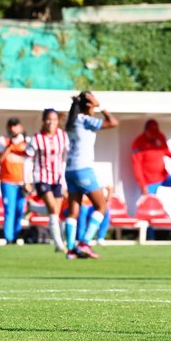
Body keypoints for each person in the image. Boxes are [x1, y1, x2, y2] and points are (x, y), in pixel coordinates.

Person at [63, 91, 118, 259]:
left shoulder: (71, 121)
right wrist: (100, 105)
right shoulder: (85, 120)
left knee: (73, 211)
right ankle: (85, 243)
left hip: (70, 170)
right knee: (101, 206)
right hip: (83, 169)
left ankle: (71, 250)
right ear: (89, 105)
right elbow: (113, 123)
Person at [25, 109, 68, 251]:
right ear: (44, 121)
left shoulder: (62, 136)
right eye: (48, 119)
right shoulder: (37, 138)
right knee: (54, 209)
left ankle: (34, 207)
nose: (51, 122)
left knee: (55, 210)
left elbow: (66, 157)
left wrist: (67, 180)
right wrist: (27, 180)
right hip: (42, 178)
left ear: (58, 121)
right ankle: (59, 244)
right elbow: (27, 159)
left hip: (58, 178)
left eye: (54, 119)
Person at [131, 119, 171, 220]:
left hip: (163, 176)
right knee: (149, 207)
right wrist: (142, 185)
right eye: (152, 133)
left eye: (156, 133)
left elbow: (166, 151)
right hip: (149, 181)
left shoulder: (160, 136)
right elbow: (136, 166)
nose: (154, 136)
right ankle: (150, 234)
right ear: (146, 131)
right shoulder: (138, 143)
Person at [0, 117, 29, 244]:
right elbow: (1, 159)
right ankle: (8, 238)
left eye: (16, 125)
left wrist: (28, 182)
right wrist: (10, 146)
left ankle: (16, 236)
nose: (13, 128)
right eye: (11, 125)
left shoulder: (26, 142)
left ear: (20, 127)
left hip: (22, 182)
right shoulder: (3, 141)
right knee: (9, 209)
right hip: (7, 181)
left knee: (20, 210)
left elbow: (29, 162)